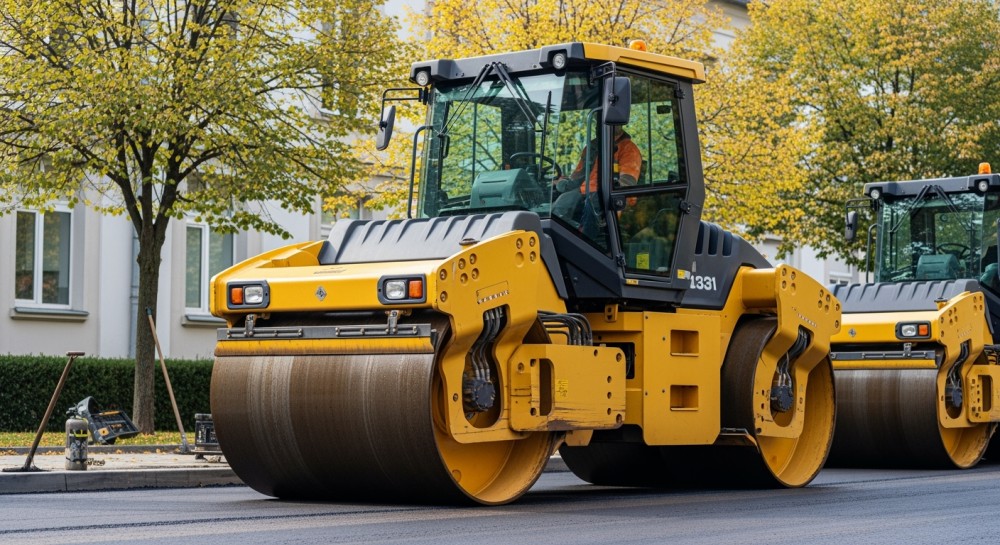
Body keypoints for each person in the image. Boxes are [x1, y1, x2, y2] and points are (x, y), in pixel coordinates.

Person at [552, 126, 642, 226]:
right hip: (586, 192)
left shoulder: (629, 149)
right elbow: (578, 176)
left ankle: (580, 236)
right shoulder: (592, 148)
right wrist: (562, 183)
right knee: (559, 206)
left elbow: (626, 183)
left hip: (608, 197)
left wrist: (607, 194)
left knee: (568, 206)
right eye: (597, 118)